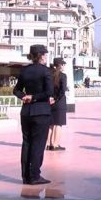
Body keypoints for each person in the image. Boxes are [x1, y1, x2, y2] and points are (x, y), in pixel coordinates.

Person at [13, 44, 53, 185]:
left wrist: (25, 96)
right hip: (41, 112)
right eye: (45, 55)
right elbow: (49, 92)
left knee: (27, 143)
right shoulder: (46, 71)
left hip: (26, 112)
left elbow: (16, 90)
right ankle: (35, 175)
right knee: (38, 144)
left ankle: (25, 176)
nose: (46, 57)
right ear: (41, 56)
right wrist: (34, 97)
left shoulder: (24, 70)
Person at [47, 57, 68, 151]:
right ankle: (55, 144)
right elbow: (62, 91)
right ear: (58, 65)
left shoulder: (49, 75)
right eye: (62, 64)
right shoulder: (63, 76)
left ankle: (49, 144)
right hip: (59, 102)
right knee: (58, 124)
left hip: (50, 102)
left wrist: (51, 98)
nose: (64, 66)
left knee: (51, 124)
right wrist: (56, 99)